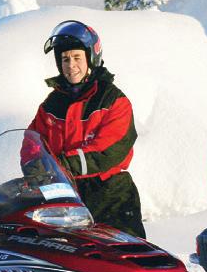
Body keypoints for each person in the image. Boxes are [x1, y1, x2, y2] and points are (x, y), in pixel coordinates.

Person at [28, 20, 145, 238]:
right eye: (64, 59)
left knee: (122, 259)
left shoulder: (112, 100)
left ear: (91, 58)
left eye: (76, 57)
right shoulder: (50, 105)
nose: (70, 65)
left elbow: (108, 150)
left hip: (108, 194)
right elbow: (32, 144)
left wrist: (62, 164)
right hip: (63, 195)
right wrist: (34, 167)